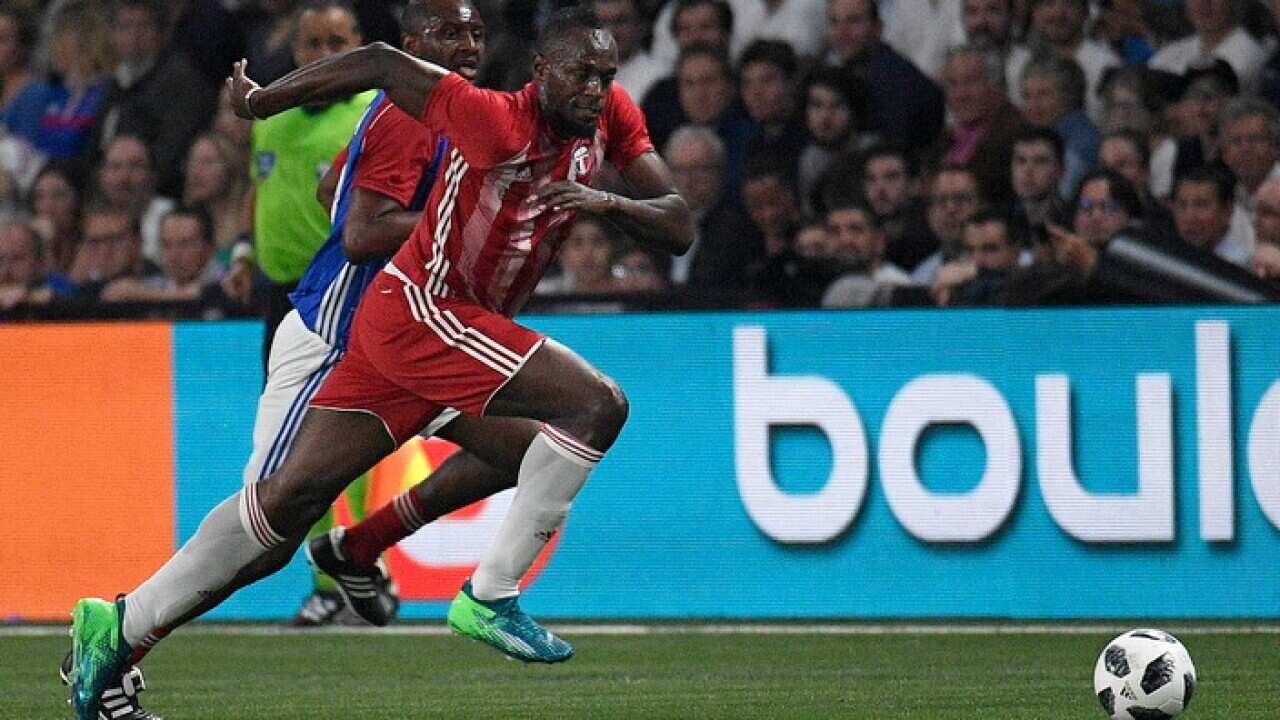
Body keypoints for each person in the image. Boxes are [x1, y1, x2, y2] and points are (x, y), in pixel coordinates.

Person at [67, 8, 693, 718]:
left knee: (516, 454)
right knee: (274, 525)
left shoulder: (553, 113)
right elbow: (359, 224)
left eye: (476, 34)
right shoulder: (440, 114)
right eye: (448, 34)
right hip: (352, 327)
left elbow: (333, 185)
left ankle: (145, 620)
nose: (466, 47)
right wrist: (263, 103)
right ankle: (489, 595)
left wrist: (583, 202)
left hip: (427, 326)